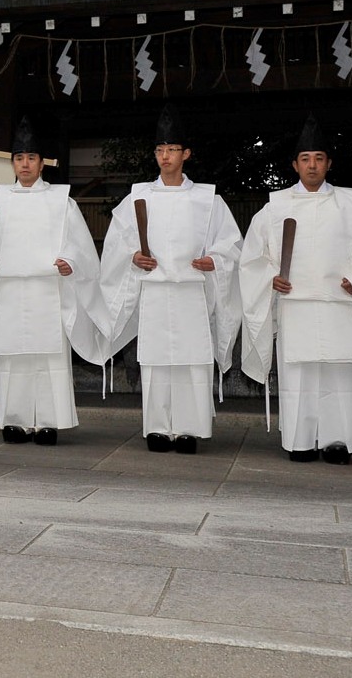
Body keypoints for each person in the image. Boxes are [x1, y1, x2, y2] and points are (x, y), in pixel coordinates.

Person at [239, 115, 352, 464]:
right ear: (295, 165)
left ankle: (338, 441)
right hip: (294, 304)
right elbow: (253, 257)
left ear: (329, 163)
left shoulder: (349, 205)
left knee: (338, 374)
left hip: (338, 303)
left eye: (318, 158)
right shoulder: (276, 207)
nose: (312, 165)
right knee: (297, 377)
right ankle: (300, 441)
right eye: (305, 159)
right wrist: (271, 278)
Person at [0, 117, 107, 445]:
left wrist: (70, 263)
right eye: (19, 158)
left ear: (41, 163)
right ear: (12, 162)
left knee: (49, 356)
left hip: (47, 288)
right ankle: (15, 420)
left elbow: (81, 247)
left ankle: (49, 421)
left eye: (31, 158)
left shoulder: (62, 201)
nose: (25, 164)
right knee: (15, 356)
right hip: (10, 290)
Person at [98, 105, 242, 454]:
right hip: (155, 290)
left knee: (192, 360)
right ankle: (159, 428)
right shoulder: (138, 197)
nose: (166, 156)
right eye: (160, 150)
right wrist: (133, 256)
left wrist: (215, 260)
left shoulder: (207, 199)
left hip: (191, 291)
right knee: (157, 361)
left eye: (173, 150)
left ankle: (190, 429)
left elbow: (232, 245)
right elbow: (117, 243)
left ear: (186, 154)